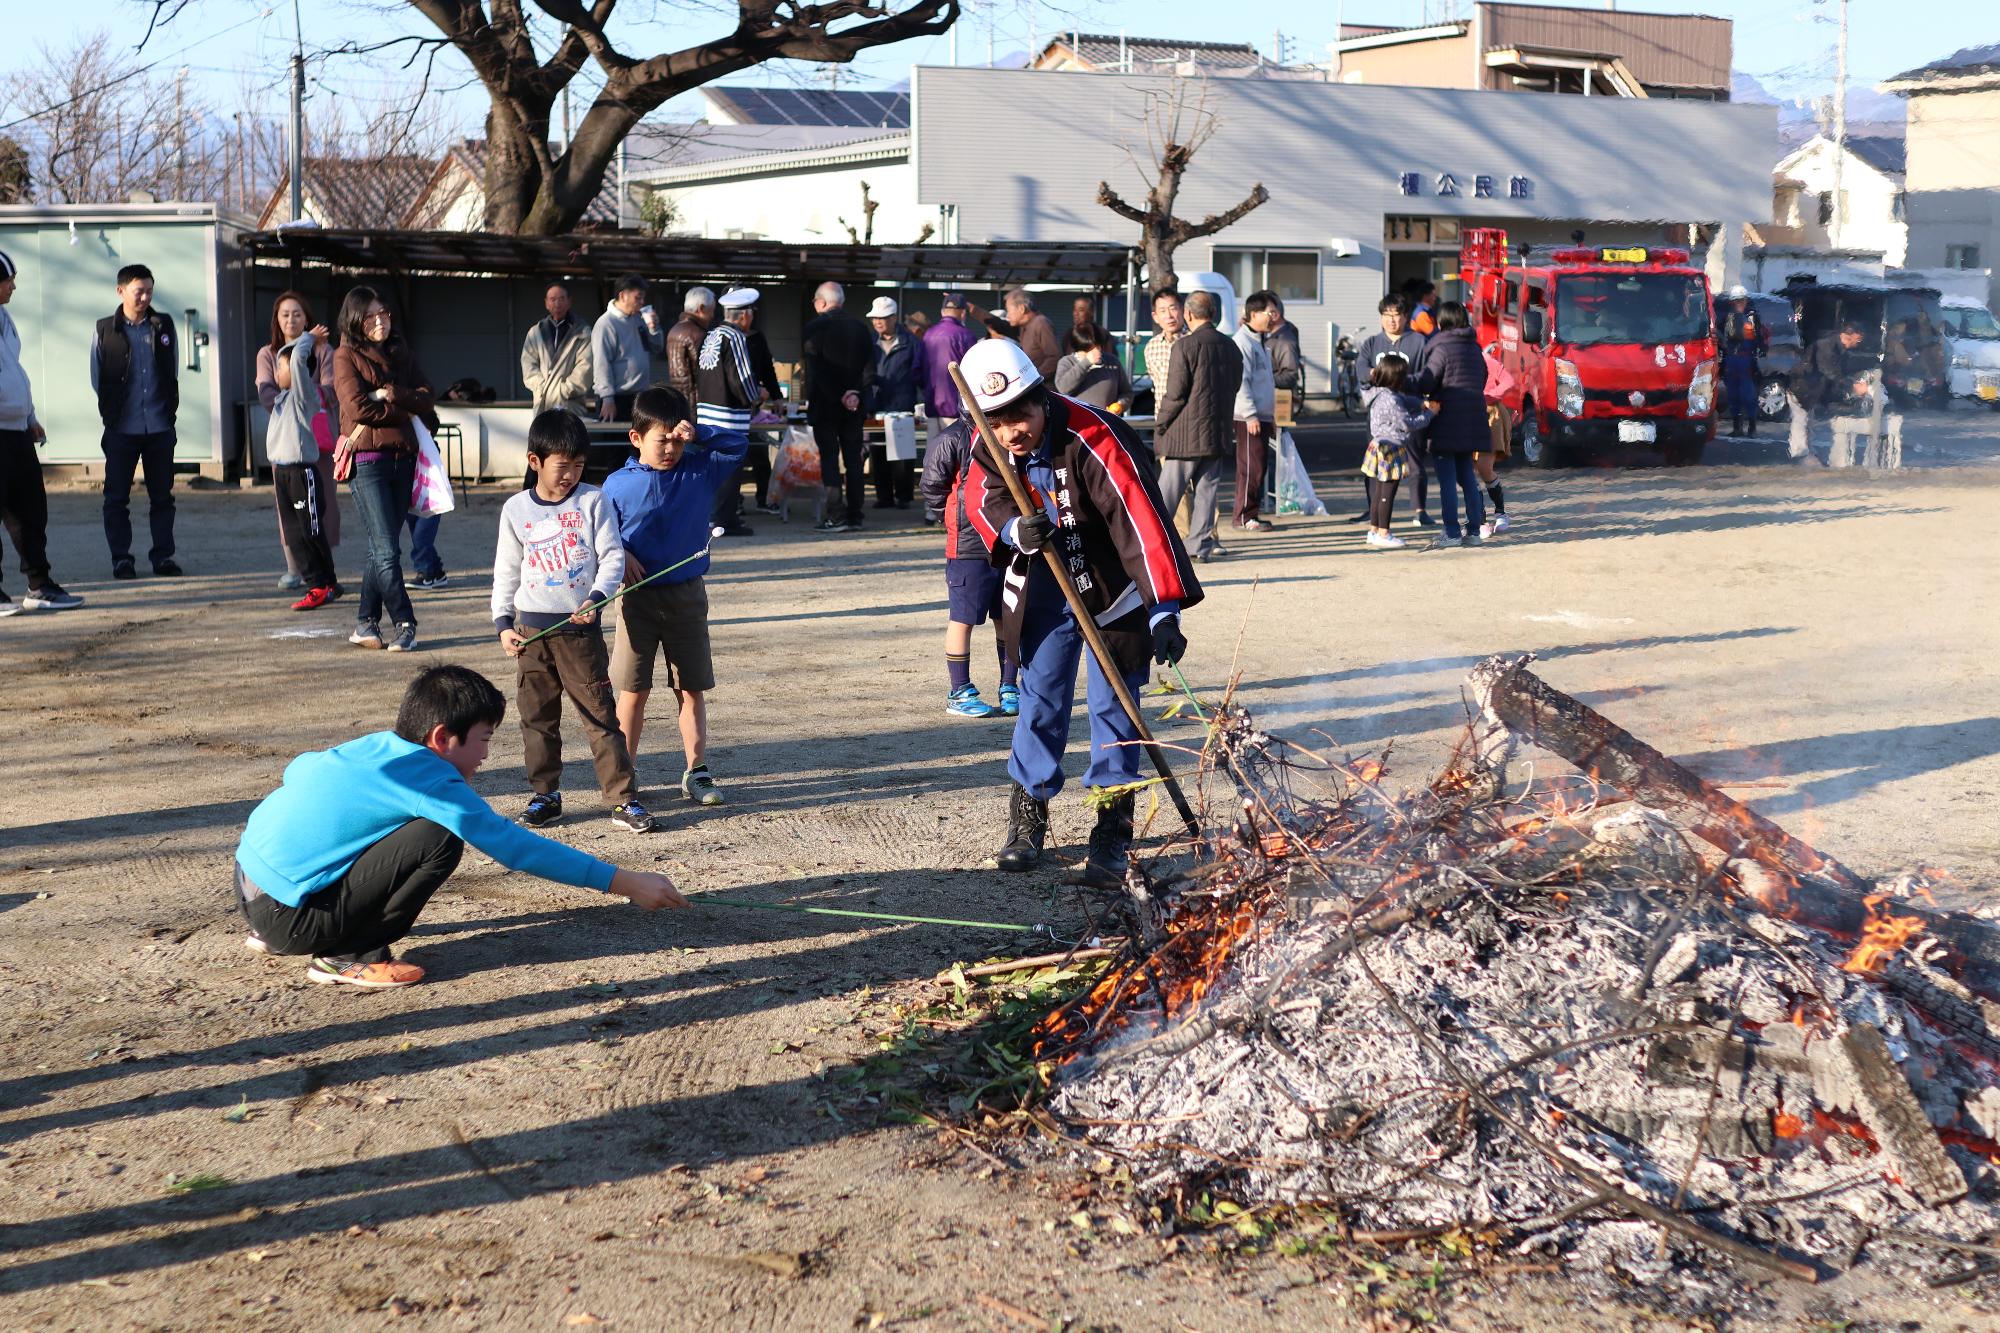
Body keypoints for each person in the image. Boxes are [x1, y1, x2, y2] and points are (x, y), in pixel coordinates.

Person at [234, 665, 685, 989]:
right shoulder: (429, 779)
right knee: (440, 837)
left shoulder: (376, 747)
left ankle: (282, 928)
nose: (486, 756)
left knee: (392, 831)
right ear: (441, 738)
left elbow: (299, 771)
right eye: (483, 740)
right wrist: (625, 882)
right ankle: (346, 955)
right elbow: (513, 847)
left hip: (249, 884)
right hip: (288, 917)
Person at [960, 339, 1202, 884]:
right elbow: (979, 496)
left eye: (1019, 414)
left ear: (1041, 396)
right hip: (1046, 584)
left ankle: (1111, 826)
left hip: (1115, 587)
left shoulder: (1096, 435)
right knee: (1039, 698)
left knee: (1115, 706)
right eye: (996, 423)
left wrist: (1164, 608)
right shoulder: (988, 442)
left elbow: (1139, 521)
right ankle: (1028, 817)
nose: (1010, 433)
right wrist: (1010, 529)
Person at [493, 410, 653, 836]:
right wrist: (503, 623)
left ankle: (622, 799)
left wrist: (597, 597)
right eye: (562, 466)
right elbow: (506, 571)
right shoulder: (516, 509)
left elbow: (613, 556)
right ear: (535, 462)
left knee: (600, 716)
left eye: (578, 466)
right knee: (537, 717)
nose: (570, 475)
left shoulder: (593, 501)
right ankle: (545, 794)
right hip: (531, 634)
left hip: (579, 632)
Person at [602, 387, 747, 809]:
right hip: (637, 601)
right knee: (633, 690)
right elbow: (601, 535)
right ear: (635, 438)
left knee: (690, 688)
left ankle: (696, 770)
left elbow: (738, 444)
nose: (669, 449)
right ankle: (624, 773)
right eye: (660, 440)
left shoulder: (700, 468)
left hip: (686, 595)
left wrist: (699, 434)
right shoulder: (616, 485)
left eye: (676, 439)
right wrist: (621, 553)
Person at [333, 285, 436, 653]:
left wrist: (396, 395)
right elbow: (358, 408)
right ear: (356, 320)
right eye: (371, 316)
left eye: (384, 314)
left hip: (403, 459)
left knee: (382, 547)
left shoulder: (400, 350)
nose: (380, 322)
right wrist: (403, 410)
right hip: (368, 462)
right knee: (388, 551)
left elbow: (428, 394)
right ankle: (405, 622)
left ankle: (364, 622)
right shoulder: (344, 356)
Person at [918, 412, 1019, 719]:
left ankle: (1011, 686)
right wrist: (954, 520)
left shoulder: (1009, 433)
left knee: (1009, 616)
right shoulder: (952, 438)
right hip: (968, 546)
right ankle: (960, 690)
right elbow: (932, 486)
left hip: (1009, 540)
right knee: (963, 618)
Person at [0, 249, 84, 615]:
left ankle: (39, 585)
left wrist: (29, 415)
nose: (13, 286)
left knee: (31, 511)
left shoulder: (5, 319)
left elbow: (15, 372)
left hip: (17, 431)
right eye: (8, 280)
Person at [89, 263, 182, 579]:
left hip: (159, 427)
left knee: (162, 497)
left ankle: (163, 557)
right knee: (116, 498)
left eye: (149, 291)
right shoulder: (105, 330)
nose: (144, 297)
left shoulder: (163, 325)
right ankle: (121, 559)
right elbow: (96, 376)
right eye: (138, 291)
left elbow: (173, 370)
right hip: (121, 429)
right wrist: (112, 411)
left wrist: (169, 411)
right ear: (121, 291)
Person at [260, 292, 343, 594]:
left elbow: (300, 368)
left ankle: (320, 580)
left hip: (305, 459)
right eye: (285, 314)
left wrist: (306, 340)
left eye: (297, 313)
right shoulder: (280, 386)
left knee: (312, 520)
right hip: (284, 463)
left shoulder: (300, 389)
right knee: (293, 522)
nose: (290, 320)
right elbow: (268, 386)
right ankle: (311, 576)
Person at [1152, 290, 1241, 564]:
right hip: (1218, 432)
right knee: (1207, 494)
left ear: (1188, 314)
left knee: (1167, 495)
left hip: (1184, 435)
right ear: (1213, 314)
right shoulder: (1231, 347)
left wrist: (1161, 424)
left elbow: (1175, 393)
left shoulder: (1185, 346)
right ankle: (1199, 546)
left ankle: (1156, 544)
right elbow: (1235, 386)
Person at [1411, 301, 1487, 549]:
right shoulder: (1474, 348)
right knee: (1467, 475)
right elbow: (1483, 377)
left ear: (1441, 322)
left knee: (1447, 480)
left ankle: (1452, 532)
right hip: (1472, 419)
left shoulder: (1441, 348)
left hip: (1446, 420)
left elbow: (1427, 382)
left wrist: (1406, 381)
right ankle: (1474, 531)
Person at [800, 281, 875, 533]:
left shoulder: (814, 328)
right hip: (854, 407)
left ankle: (836, 515)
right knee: (854, 460)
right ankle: (856, 514)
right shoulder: (861, 328)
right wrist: (854, 393)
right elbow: (869, 368)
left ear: (821, 302)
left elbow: (816, 370)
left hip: (825, 406)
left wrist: (839, 394)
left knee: (830, 461)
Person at [1354, 296, 1432, 526]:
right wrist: (1380, 378)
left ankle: (1420, 510)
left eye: (1396, 315)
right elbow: (1361, 371)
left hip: (1409, 409)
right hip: (1379, 416)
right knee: (1375, 465)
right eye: (1387, 315)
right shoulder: (1371, 343)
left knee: (1416, 462)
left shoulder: (1419, 341)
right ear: (1381, 317)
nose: (1392, 320)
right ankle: (1372, 512)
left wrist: (1400, 380)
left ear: (1405, 317)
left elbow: (1426, 374)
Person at [699, 286, 763, 538]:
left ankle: (715, 518)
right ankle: (726, 521)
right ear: (744, 315)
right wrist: (755, 398)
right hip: (728, 415)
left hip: (707, 413)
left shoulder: (712, 334)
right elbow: (742, 378)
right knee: (730, 470)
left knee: (714, 470)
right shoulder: (735, 337)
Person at [1360, 355, 1430, 551]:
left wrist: (1418, 403)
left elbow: (1404, 400)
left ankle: (1373, 531)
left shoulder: (1377, 393)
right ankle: (1384, 533)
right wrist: (1429, 414)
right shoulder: (1391, 400)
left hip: (1377, 445)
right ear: (1396, 378)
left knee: (1378, 492)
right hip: (1391, 448)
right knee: (1387, 493)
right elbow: (1408, 423)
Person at [1231, 292, 1280, 532]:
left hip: (1261, 415)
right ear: (1253, 314)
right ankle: (1243, 516)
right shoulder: (1243, 341)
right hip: (1248, 417)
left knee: (1259, 466)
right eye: (1269, 312)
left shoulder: (1258, 340)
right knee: (1251, 466)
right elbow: (1242, 382)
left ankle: (1252, 513)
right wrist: (1250, 414)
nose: (1273, 317)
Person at [1794, 320, 1873, 466]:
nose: (1860, 341)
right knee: (1802, 422)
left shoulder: (1840, 349)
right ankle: (1803, 457)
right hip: (1802, 388)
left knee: (1807, 423)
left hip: (1812, 390)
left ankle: (1808, 456)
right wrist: (1854, 386)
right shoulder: (1827, 346)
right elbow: (1831, 372)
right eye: (1859, 338)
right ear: (1849, 336)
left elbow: (1838, 374)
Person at [867, 296, 921, 510]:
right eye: (874, 318)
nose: (878, 322)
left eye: (882, 318)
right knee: (878, 453)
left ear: (894, 318)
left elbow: (918, 373)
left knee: (902, 456)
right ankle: (884, 497)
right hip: (877, 405)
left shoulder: (911, 342)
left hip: (903, 406)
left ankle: (904, 497)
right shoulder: (870, 342)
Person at [593, 274, 662, 423]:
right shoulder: (606, 324)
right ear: (623, 295)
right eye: (638, 298)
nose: (642, 302)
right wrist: (607, 399)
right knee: (616, 445)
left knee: (638, 444)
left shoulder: (638, 319)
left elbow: (656, 348)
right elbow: (601, 363)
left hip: (639, 396)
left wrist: (654, 329)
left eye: (643, 298)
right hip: (617, 398)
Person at [521, 281, 593, 417]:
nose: (557, 304)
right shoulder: (536, 332)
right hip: (542, 403)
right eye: (552, 300)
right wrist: (541, 387)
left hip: (570, 404)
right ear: (546, 303)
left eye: (561, 299)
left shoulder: (582, 332)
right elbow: (528, 365)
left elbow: (585, 368)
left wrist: (562, 390)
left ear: (569, 302)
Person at [1475, 341, 1516, 540]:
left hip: (1490, 415)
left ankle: (1500, 513)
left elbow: (1508, 381)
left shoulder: (1485, 360)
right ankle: (1480, 520)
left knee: (1484, 468)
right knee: (1468, 471)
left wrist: (1490, 395)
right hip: (1465, 415)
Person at [920, 291, 981, 420]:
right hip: (956, 410)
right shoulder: (966, 335)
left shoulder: (928, 334)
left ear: (942, 311)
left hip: (932, 408)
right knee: (956, 441)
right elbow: (975, 371)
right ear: (963, 313)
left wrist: (929, 392)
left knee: (932, 441)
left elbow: (916, 371)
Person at [1053, 322, 1134, 413]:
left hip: (1106, 422)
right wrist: (1086, 362)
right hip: (1079, 423)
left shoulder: (1112, 362)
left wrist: (1120, 405)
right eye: (1088, 349)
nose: (1095, 351)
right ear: (1079, 348)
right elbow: (1063, 389)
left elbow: (1127, 392)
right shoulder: (1067, 362)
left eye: (1097, 347)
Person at [1719, 285, 1766, 438]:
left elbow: (1758, 338)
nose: (1738, 303)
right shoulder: (1727, 316)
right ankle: (1737, 427)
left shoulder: (1752, 317)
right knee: (1733, 395)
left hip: (1746, 359)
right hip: (1732, 358)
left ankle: (1752, 428)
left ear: (1745, 300)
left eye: (1740, 300)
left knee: (1748, 395)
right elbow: (1722, 337)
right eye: (1735, 301)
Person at [666, 287, 714, 402]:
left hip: (679, 399)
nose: (712, 315)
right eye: (712, 310)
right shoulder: (697, 334)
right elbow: (706, 371)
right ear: (701, 308)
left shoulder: (675, 329)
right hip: (697, 402)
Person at [1004, 288, 1061, 380]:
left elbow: (1054, 357)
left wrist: (1035, 378)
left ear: (1022, 309)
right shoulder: (1025, 327)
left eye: (1008, 310)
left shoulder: (1041, 323)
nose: (1007, 315)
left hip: (1044, 388)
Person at [1142, 289, 1184, 390]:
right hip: (1162, 405)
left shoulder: (1194, 341)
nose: (1169, 316)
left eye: (1173, 309)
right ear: (1155, 317)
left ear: (1182, 310)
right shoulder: (1151, 347)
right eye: (1163, 311)